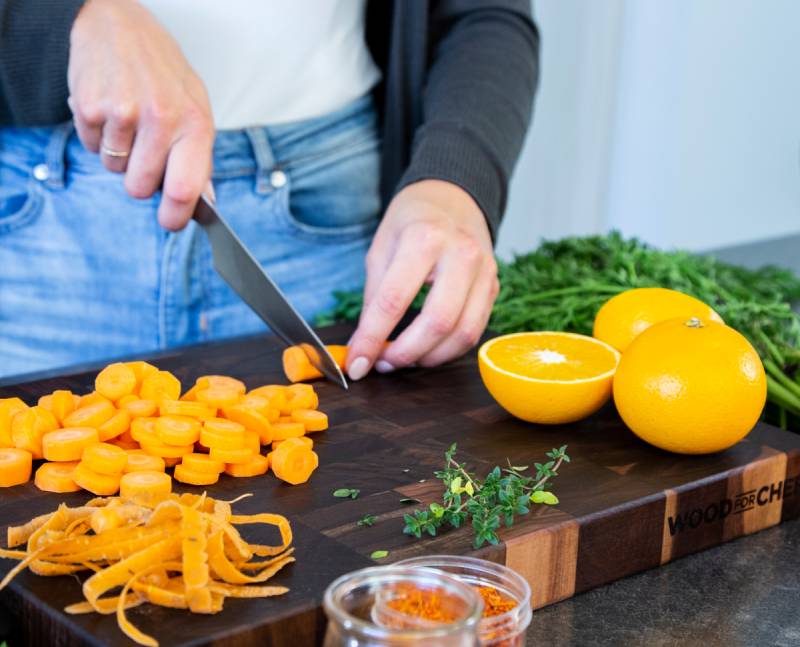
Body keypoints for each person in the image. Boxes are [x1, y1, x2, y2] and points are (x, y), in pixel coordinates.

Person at [0, 0, 539, 381]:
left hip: (327, 213)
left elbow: (479, 13)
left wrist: (454, 179)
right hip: (33, 225)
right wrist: (60, 18)